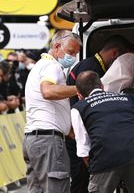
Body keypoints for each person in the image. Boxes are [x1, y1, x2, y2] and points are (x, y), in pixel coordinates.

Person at [66, 35, 131, 193]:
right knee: (81, 180)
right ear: (115, 54)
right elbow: (90, 106)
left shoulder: (93, 66)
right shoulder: (90, 70)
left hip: (80, 131)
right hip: (77, 133)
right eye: (122, 61)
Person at [23, 30, 82, 193]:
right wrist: (80, 89)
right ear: (57, 46)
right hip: (48, 142)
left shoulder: (39, 66)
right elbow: (47, 91)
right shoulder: (52, 66)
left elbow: (55, 111)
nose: (73, 57)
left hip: (34, 141)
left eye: (76, 53)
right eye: (71, 52)